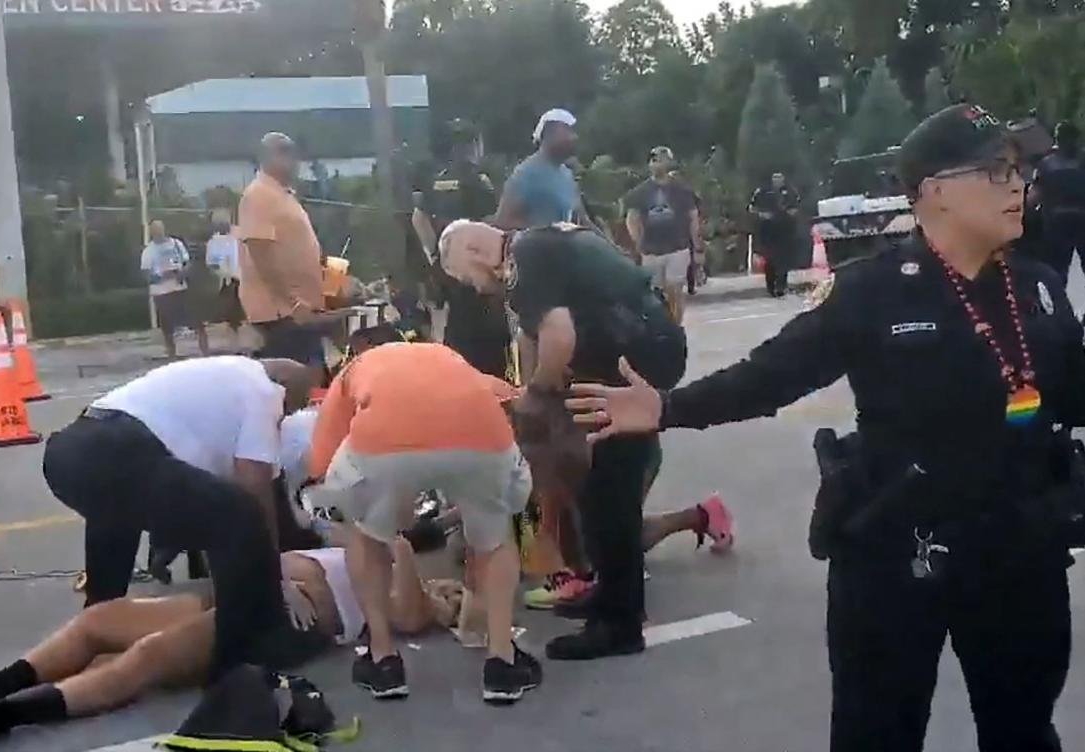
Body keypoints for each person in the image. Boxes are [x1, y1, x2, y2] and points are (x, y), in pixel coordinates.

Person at [565, 104, 1084, 752]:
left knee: (1024, 731)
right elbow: (770, 374)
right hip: (896, 551)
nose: (1019, 185)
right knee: (875, 732)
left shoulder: (1035, 288)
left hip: (1017, 552)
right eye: (997, 170)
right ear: (934, 192)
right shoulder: (872, 290)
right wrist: (667, 408)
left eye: (1020, 170)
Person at [0, 538, 462, 737]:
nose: (449, 593)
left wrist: (405, 548)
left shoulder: (402, 600)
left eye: (456, 601)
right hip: (246, 584)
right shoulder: (366, 547)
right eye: (453, 588)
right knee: (100, 622)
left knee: (149, 657)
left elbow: (410, 616)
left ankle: (5, 715)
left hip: (285, 617)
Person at [439, 220, 687, 661]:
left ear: (476, 251)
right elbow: (534, 334)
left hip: (632, 360)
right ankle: (610, 595)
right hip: (647, 345)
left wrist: (537, 395)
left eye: (466, 278)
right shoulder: (537, 243)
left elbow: (559, 336)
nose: (474, 289)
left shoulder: (521, 264)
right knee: (599, 487)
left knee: (608, 492)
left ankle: (620, 623)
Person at [42, 356, 317, 681]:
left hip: (68, 454)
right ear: (283, 389)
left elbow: (188, 486)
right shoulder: (263, 390)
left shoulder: (223, 373)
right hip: (118, 449)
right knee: (237, 517)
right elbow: (254, 488)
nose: (280, 422)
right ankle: (239, 653)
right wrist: (277, 579)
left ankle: (99, 622)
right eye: (285, 414)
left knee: (117, 509)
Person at [306, 342, 540, 703]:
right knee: (495, 537)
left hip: (383, 439)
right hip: (481, 432)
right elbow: (507, 398)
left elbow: (321, 461)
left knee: (363, 533)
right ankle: (502, 660)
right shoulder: (450, 359)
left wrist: (366, 511)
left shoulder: (353, 371)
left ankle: (382, 659)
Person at [410, 119, 511, 378]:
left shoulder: (436, 180)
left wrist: (434, 255)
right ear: (474, 146)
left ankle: (457, 381)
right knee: (488, 343)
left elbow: (418, 218)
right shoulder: (478, 181)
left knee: (455, 331)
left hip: (447, 269)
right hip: (477, 270)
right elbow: (492, 223)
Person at [238, 133, 339, 378]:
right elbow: (260, 253)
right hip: (281, 313)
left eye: (293, 151)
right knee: (300, 383)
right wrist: (291, 301)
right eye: (283, 151)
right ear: (266, 157)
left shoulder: (283, 195)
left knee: (316, 377)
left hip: (302, 309)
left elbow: (301, 250)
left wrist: (339, 282)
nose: (293, 158)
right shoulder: (258, 194)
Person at [624, 146, 701, 323]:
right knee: (656, 294)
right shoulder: (640, 192)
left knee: (675, 289)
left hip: (678, 247)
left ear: (669, 162)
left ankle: (676, 327)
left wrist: (697, 246)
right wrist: (638, 243)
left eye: (660, 159)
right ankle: (660, 328)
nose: (656, 163)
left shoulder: (682, 190)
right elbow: (632, 218)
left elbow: (693, 217)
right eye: (653, 159)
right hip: (651, 250)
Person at [495, 109, 600, 232]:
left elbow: (583, 221)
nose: (574, 137)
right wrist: (548, 231)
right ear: (549, 134)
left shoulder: (567, 175)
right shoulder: (526, 173)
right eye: (568, 131)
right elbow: (503, 221)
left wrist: (611, 247)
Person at [140, 220, 208, 359]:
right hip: (162, 293)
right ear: (151, 233)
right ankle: (172, 356)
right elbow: (146, 275)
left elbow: (187, 263)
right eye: (154, 231)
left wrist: (182, 273)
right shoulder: (148, 251)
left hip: (180, 289)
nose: (158, 233)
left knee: (197, 323)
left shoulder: (176, 244)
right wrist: (161, 276)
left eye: (159, 230)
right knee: (168, 329)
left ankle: (205, 353)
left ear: (164, 229)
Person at [1029, 121, 1085, 281]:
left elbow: (1034, 197)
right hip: (1082, 219)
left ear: (1056, 139)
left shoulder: (1044, 164)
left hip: (1055, 223)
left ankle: (1058, 304)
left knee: (1057, 273)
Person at [749, 173, 801, 297]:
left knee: (784, 258)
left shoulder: (790, 191)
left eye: (780, 178)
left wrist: (792, 213)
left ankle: (781, 285)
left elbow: (797, 206)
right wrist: (761, 215)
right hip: (768, 229)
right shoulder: (762, 191)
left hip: (785, 229)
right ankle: (771, 285)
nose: (777, 180)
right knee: (770, 258)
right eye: (775, 178)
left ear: (783, 179)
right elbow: (752, 207)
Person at [205, 219, 244, 352]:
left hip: (242, 279)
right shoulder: (213, 243)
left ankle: (244, 344)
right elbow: (212, 264)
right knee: (231, 317)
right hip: (227, 281)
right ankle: (235, 346)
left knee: (246, 315)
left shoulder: (237, 238)